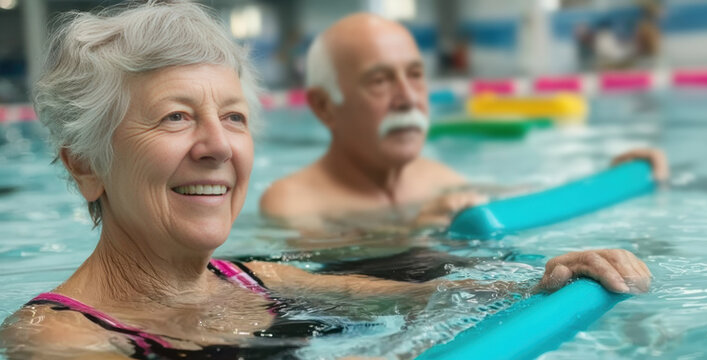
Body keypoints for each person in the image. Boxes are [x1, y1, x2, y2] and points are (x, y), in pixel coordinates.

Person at [0, 2, 652, 359]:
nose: (219, 146)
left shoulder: (256, 280)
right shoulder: (60, 340)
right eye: (175, 118)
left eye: (233, 117)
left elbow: (438, 298)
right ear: (84, 164)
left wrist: (543, 279)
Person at [259, 13, 669, 233]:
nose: (408, 97)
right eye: (380, 80)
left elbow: (533, 196)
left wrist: (612, 175)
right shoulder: (293, 202)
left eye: (416, 74)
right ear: (325, 107)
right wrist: (416, 233)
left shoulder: (437, 177)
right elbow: (330, 285)